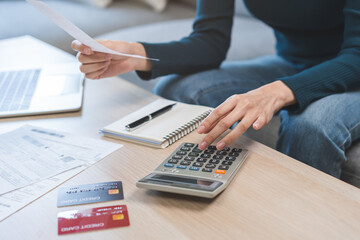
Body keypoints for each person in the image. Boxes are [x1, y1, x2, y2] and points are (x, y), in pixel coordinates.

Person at [72, 0, 360, 178]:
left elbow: (356, 54)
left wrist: (278, 92)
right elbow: (209, 42)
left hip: (354, 71)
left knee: (311, 126)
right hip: (294, 63)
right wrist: (135, 54)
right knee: (181, 88)